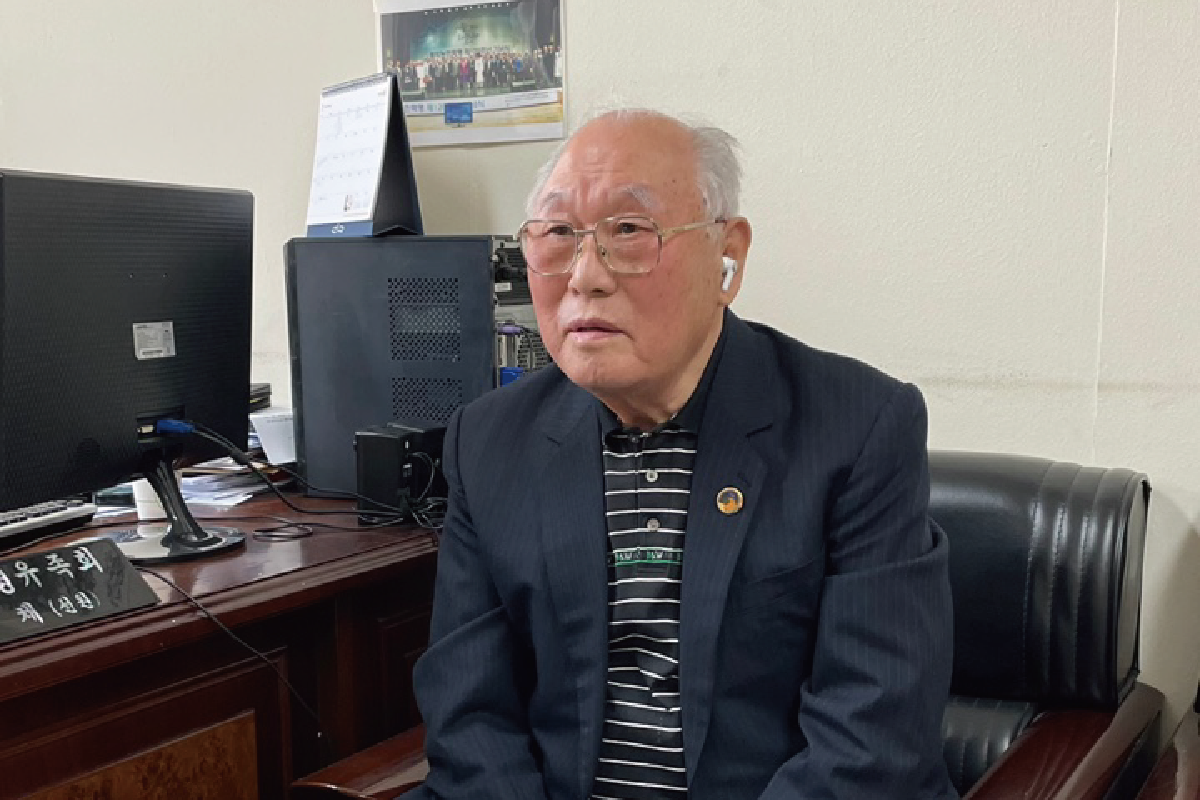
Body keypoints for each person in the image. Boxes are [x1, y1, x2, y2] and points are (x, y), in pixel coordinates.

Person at [407, 109, 958, 799]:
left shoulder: (859, 427)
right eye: (558, 234)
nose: (585, 276)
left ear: (728, 258)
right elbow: (469, 715)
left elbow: (870, 742)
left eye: (629, 231)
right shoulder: (489, 439)